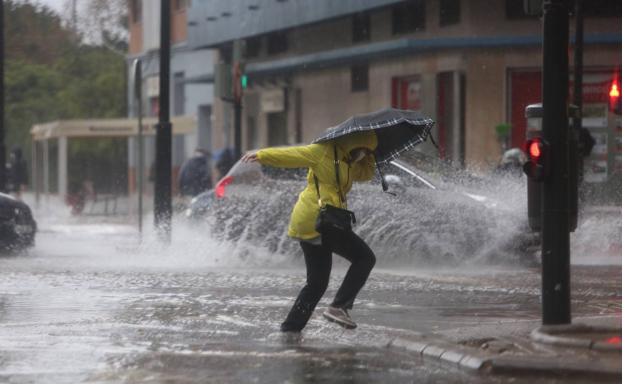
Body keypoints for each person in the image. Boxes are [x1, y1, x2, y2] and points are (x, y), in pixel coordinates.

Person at [242, 131, 378, 332]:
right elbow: (293, 155)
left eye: (366, 151)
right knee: (365, 258)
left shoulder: (347, 161)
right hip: (318, 219)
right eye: (362, 149)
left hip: (322, 222)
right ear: (353, 143)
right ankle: (338, 307)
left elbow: (366, 174)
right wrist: (263, 155)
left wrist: (370, 156)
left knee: (317, 283)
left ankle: (290, 329)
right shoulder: (322, 152)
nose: (362, 153)